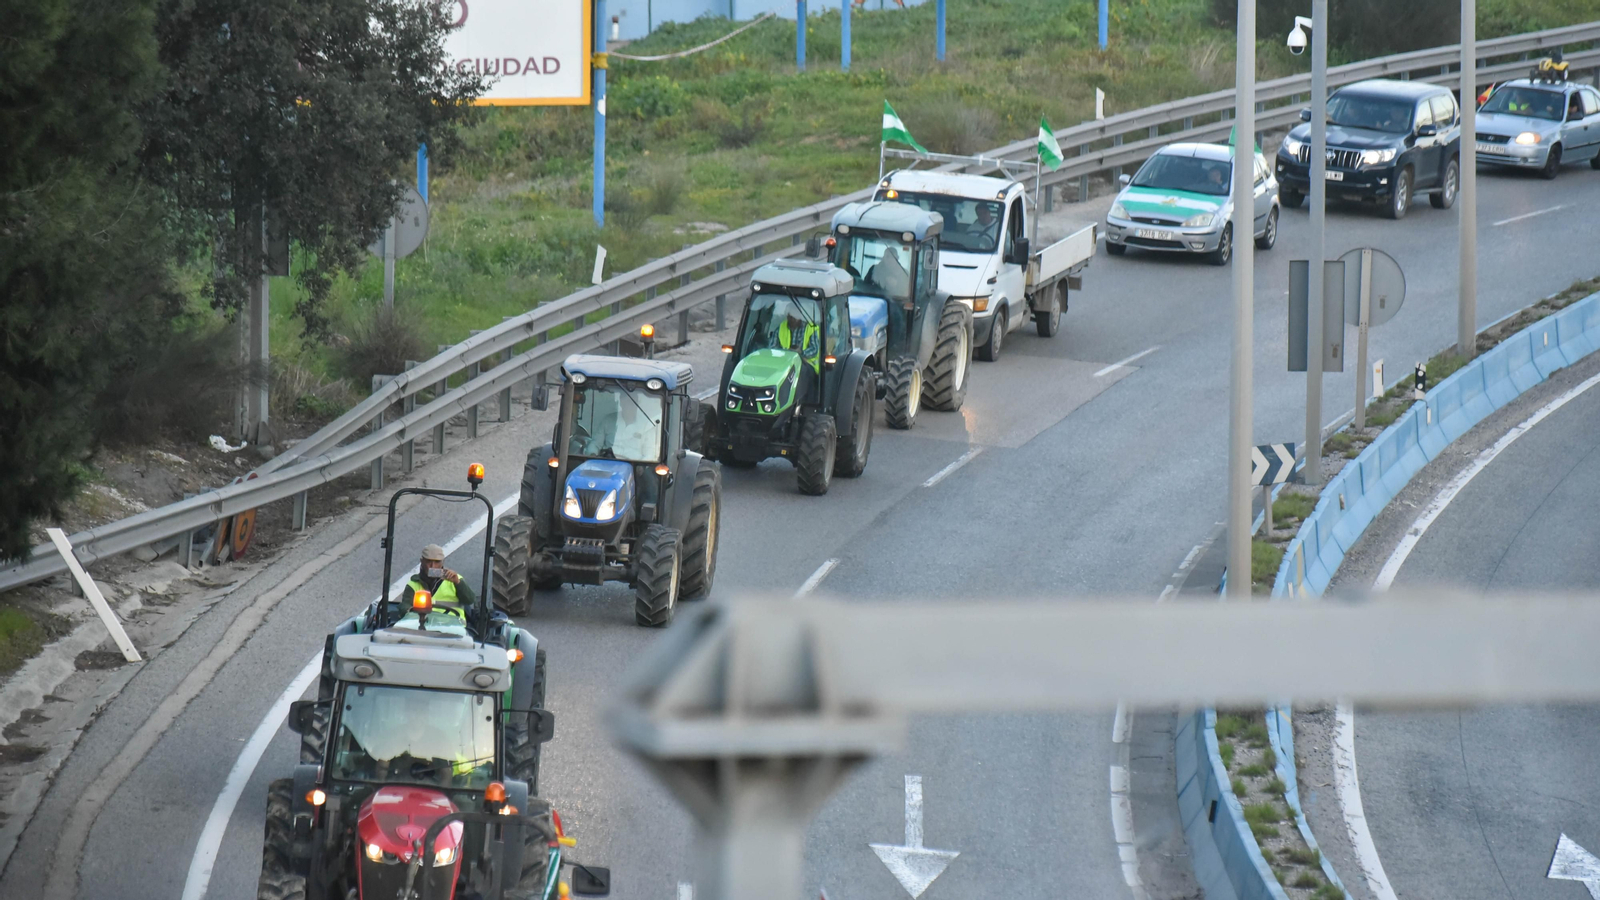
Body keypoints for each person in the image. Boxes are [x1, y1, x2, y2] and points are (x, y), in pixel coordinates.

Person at [401, 544, 475, 614]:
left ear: (442, 562)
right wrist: (410, 611)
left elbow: (469, 600)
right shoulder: (414, 584)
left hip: (452, 622)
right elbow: (405, 606)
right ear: (422, 561)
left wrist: (457, 583)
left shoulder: (456, 579)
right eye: (428, 561)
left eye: (437, 562)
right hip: (424, 622)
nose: (433, 566)